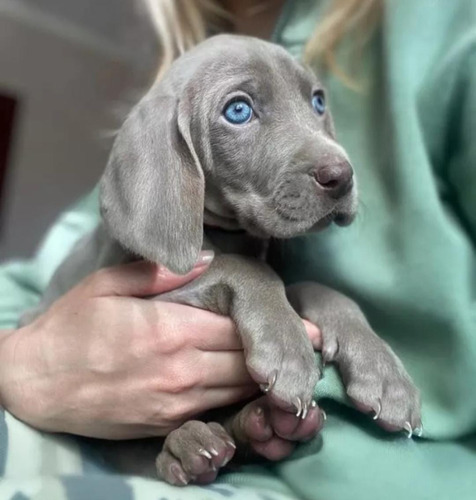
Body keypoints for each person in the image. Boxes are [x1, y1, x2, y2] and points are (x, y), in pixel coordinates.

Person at [1, 0, 475, 498]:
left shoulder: (441, 29)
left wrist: (338, 312)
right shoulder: (158, 167)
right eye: (239, 110)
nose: (332, 160)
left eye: (316, 103)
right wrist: (19, 363)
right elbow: (112, 297)